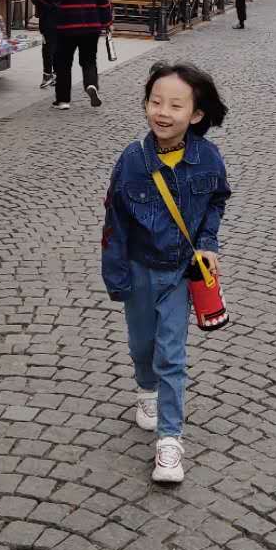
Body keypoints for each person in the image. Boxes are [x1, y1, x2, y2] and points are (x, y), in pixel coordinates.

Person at [102, 63, 231, 484]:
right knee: (142, 346)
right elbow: (115, 221)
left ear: (196, 114)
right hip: (139, 271)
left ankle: (170, 441)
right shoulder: (132, 160)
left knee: (171, 355)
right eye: (155, 102)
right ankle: (146, 389)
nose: (163, 112)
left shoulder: (208, 158)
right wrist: (116, 277)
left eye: (176, 105)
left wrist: (208, 243)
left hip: (178, 275)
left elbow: (217, 200)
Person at [37, 0, 113, 110]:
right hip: (91, 27)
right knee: (89, 60)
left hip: (66, 27)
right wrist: (107, 23)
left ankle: (63, 100)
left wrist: (49, 7)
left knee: (63, 62)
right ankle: (91, 84)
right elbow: (104, 3)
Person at [31, 0, 58, 90]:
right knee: (55, 50)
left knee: (47, 51)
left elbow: (46, 6)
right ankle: (56, 75)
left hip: (49, 26)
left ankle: (47, 75)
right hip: (58, 25)